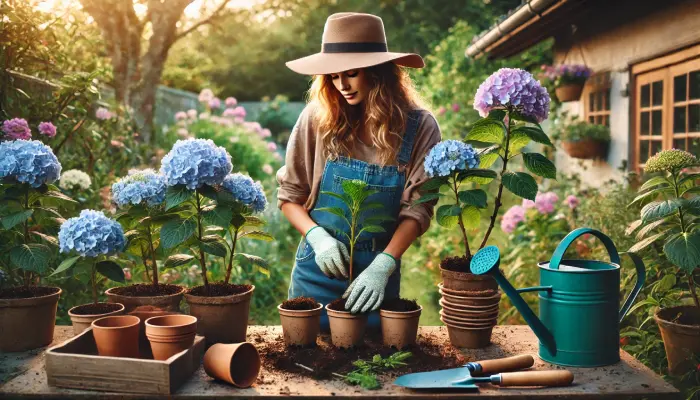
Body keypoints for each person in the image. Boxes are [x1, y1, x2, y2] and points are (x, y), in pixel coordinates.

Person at [277, 12, 441, 330]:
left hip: (375, 277)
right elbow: (289, 197)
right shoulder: (316, 119)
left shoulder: (420, 127)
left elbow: (418, 209)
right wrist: (317, 237)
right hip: (317, 271)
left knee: (375, 367)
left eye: (351, 74)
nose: (342, 86)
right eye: (333, 77)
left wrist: (385, 264)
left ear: (379, 73)